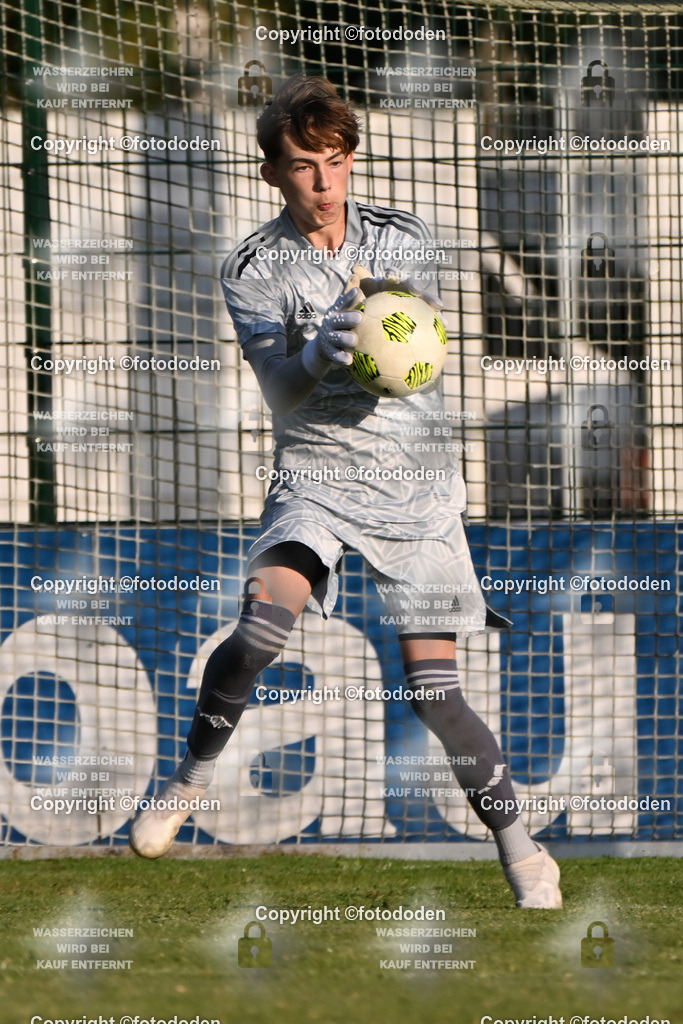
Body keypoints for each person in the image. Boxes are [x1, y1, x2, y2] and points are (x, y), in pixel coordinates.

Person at [129, 75, 562, 909]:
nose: (323, 183)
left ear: (351, 160)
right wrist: (320, 354)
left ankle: (522, 853)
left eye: (334, 162)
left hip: (416, 484)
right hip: (317, 475)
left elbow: (418, 349)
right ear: (272, 175)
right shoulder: (252, 268)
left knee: (436, 696)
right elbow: (278, 394)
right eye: (301, 166)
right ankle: (187, 781)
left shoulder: (402, 236)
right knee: (258, 631)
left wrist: (390, 326)